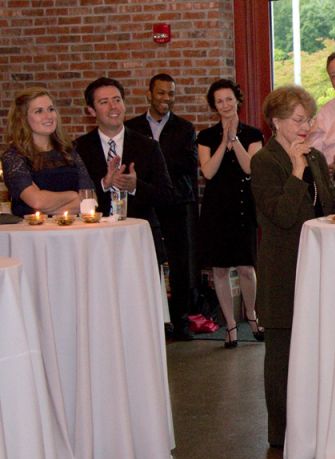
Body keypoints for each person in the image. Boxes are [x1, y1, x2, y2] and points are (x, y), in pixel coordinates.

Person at [250, 85, 335, 448]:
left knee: (316, 354)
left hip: (318, 270)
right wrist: (295, 170)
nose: (305, 126)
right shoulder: (266, 161)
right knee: (282, 359)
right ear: (276, 122)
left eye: (308, 119)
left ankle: (315, 427)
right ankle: (282, 436)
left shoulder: (316, 158)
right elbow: (283, 215)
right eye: (297, 120)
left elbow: (328, 210)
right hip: (283, 272)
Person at [126, 73, 199, 341]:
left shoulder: (184, 128)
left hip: (177, 202)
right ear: (149, 94)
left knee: (180, 263)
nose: (166, 98)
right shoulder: (132, 128)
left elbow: (189, 166)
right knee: (148, 261)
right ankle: (151, 321)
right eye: (161, 93)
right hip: (145, 202)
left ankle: (180, 321)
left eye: (171, 93)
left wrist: (155, 161)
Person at [75, 77, 174, 263]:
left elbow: (167, 196)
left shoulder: (148, 146)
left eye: (117, 100)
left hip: (139, 242)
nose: (113, 107)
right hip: (94, 243)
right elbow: (73, 197)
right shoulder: (79, 149)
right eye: (104, 102)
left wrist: (135, 186)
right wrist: (105, 184)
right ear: (91, 111)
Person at [197, 79, 264, 349]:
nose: (225, 105)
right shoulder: (205, 137)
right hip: (216, 206)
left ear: (237, 101)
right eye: (219, 101)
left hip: (242, 204)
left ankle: (252, 315)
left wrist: (233, 140)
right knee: (220, 269)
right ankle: (231, 326)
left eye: (228, 99)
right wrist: (222, 139)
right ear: (214, 106)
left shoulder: (253, 134)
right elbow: (208, 172)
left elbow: (250, 168)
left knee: (247, 267)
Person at [2, 87, 94, 216]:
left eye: (51, 109)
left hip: (72, 231)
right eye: (39, 111)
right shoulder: (13, 157)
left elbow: (90, 200)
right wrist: (73, 196)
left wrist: (52, 213)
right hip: (31, 233)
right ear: (22, 118)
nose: (48, 116)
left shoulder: (69, 152)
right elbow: (37, 202)